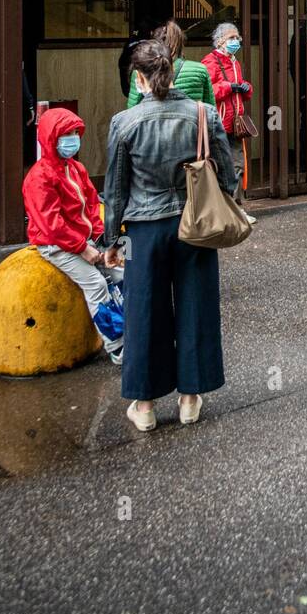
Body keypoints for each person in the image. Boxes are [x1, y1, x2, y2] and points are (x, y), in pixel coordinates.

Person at [103, 40, 237, 433]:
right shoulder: (204, 114)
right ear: (173, 72)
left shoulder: (123, 122)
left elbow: (115, 190)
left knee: (144, 311)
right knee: (197, 304)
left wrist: (112, 240)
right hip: (193, 221)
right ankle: (190, 399)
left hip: (144, 229)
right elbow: (227, 175)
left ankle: (144, 406)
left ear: (139, 77)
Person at [22, 108, 125, 364]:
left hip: (82, 240)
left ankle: (134, 328)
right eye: (65, 134)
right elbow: (51, 223)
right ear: (50, 138)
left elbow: (92, 204)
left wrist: (103, 239)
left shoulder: (75, 168)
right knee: (96, 284)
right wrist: (83, 248)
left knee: (123, 272)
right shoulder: (39, 177)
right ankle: (117, 346)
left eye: (74, 133)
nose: (72, 138)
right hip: (54, 245)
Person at [202, 22, 252, 205]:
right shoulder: (210, 62)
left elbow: (241, 91)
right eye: (232, 37)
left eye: (237, 37)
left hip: (235, 122)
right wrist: (229, 87)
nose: (236, 41)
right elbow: (208, 91)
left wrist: (246, 88)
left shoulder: (234, 62)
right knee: (222, 166)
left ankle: (236, 208)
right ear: (220, 40)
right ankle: (223, 208)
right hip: (220, 122)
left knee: (238, 165)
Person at [126, 20, 215, 109]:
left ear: (154, 43)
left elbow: (133, 107)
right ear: (181, 43)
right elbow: (210, 108)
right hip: (191, 121)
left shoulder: (142, 69)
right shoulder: (199, 69)